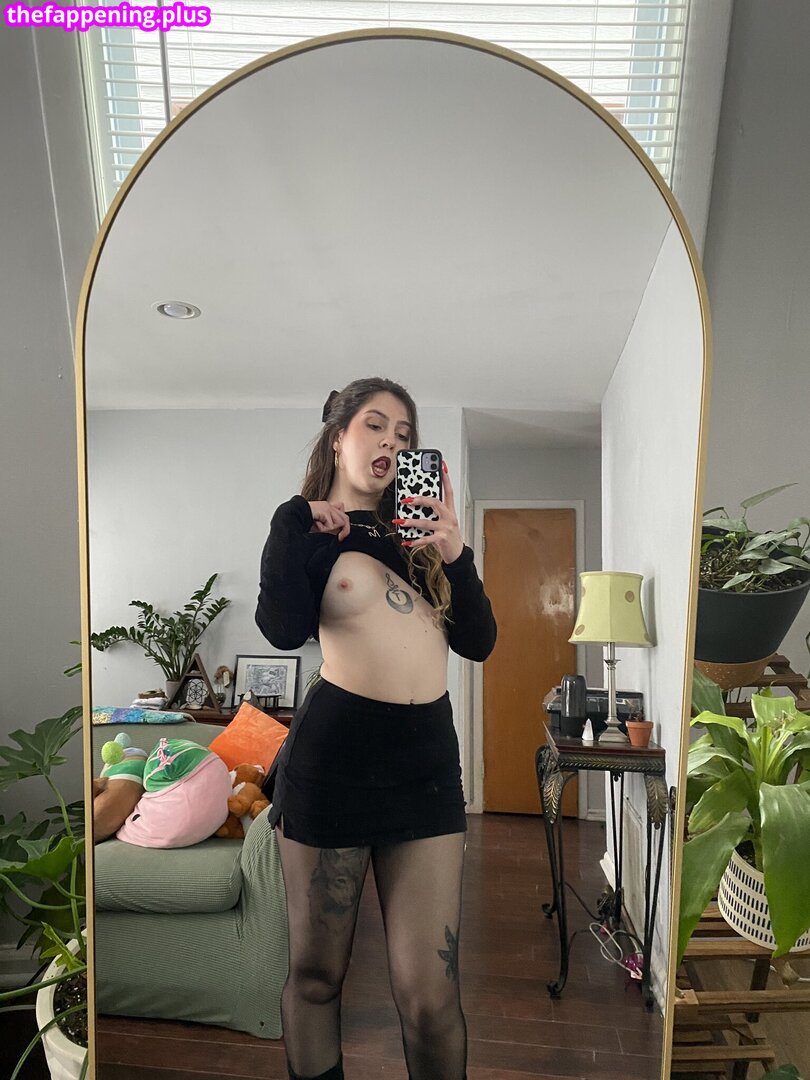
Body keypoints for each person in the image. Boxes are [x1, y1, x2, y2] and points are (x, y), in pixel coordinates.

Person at [256, 376, 496, 1080]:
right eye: (375, 425)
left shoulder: (418, 540)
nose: (392, 440)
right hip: (335, 765)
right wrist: (292, 521)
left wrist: (456, 552)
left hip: (426, 770)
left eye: (404, 434)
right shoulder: (311, 528)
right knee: (316, 977)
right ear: (338, 437)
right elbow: (281, 628)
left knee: (431, 997)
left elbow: (478, 642)